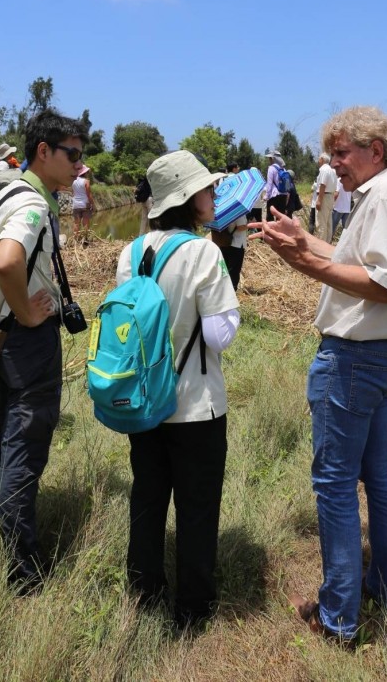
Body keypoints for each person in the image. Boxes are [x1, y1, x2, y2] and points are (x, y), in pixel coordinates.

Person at [250, 106, 387, 644]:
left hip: (353, 360)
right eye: (332, 153)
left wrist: (308, 266)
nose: (334, 163)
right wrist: (306, 242)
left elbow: (385, 281)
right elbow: (359, 260)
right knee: (378, 478)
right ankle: (383, 590)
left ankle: (338, 619)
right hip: (376, 358)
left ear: (376, 151)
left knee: (334, 486)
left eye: (342, 153)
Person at [116, 150, 240, 629]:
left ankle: (144, 591)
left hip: (144, 403)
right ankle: (193, 609)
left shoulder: (130, 252)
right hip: (195, 406)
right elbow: (218, 337)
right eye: (207, 189)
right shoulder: (204, 252)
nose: (213, 196)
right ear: (190, 198)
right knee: (196, 507)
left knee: (147, 496)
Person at [0, 109, 88, 593]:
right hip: (25, 337)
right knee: (26, 438)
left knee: (1, 425)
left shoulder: (8, 190)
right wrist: (26, 312)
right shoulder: (31, 205)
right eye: (73, 155)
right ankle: (23, 568)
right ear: (44, 152)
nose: (79, 166)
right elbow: (7, 260)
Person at [315, 152, 338, 242]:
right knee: (328, 222)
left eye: (319, 158)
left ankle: (321, 243)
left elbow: (322, 185)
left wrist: (319, 200)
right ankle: (328, 243)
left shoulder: (324, 170)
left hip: (324, 196)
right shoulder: (332, 170)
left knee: (321, 223)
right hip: (330, 197)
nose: (318, 160)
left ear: (322, 159)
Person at [264, 150, 288, 221]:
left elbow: (269, 183)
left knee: (270, 217)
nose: (269, 160)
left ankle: (270, 232)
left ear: (273, 159)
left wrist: (267, 196)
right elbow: (287, 185)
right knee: (280, 218)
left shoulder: (271, 168)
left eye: (270, 158)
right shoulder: (284, 169)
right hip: (283, 196)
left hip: (274, 196)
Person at [72, 164, 95, 236]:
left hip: (76, 204)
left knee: (76, 223)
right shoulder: (86, 181)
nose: (88, 174)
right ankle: (85, 239)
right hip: (85, 204)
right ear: (84, 173)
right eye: (87, 172)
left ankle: (76, 239)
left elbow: (73, 192)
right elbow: (89, 194)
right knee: (86, 222)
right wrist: (93, 204)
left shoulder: (73, 181)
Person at [331, 173, 351, 237]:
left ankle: (329, 243)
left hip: (338, 208)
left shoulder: (339, 180)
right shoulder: (350, 180)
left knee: (332, 227)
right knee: (345, 229)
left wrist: (331, 203)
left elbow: (336, 194)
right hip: (347, 208)